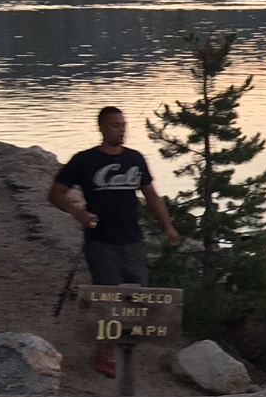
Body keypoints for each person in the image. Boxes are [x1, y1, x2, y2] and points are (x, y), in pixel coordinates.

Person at [50, 106, 180, 376]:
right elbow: (55, 193)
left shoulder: (135, 159)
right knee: (110, 295)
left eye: (123, 125)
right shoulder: (85, 160)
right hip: (100, 240)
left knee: (138, 293)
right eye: (114, 125)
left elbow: (152, 195)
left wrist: (167, 226)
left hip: (132, 238)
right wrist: (78, 213)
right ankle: (104, 354)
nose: (121, 130)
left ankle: (123, 343)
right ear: (102, 128)